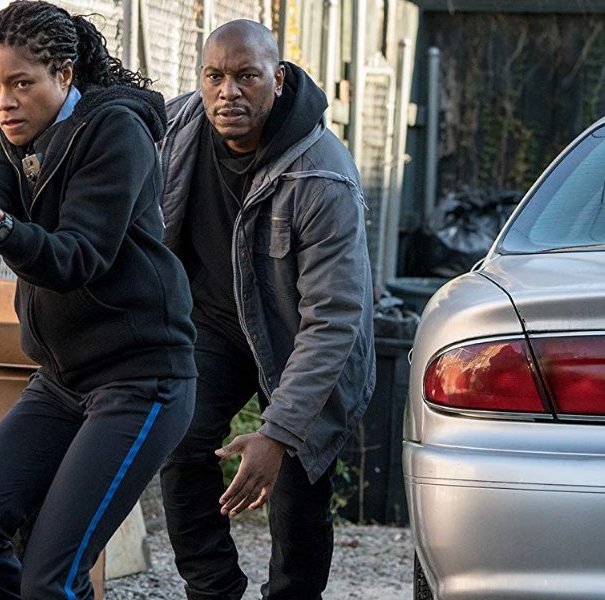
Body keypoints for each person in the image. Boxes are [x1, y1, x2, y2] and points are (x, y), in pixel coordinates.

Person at [0, 2, 197, 598]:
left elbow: (77, 257)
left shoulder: (116, 132)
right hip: (61, 379)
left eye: (22, 83)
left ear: (66, 75)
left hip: (140, 381)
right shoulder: (15, 130)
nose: (4, 101)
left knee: (52, 577)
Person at [157, 19, 376, 600]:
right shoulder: (176, 129)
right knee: (179, 437)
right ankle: (213, 589)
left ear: (277, 80)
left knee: (298, 490)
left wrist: (277, 435)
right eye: (215, 77)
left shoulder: (322, 172)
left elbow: (332, 319)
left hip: (300, 335)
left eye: (246, 76)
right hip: (216, 325)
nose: (228, 91)